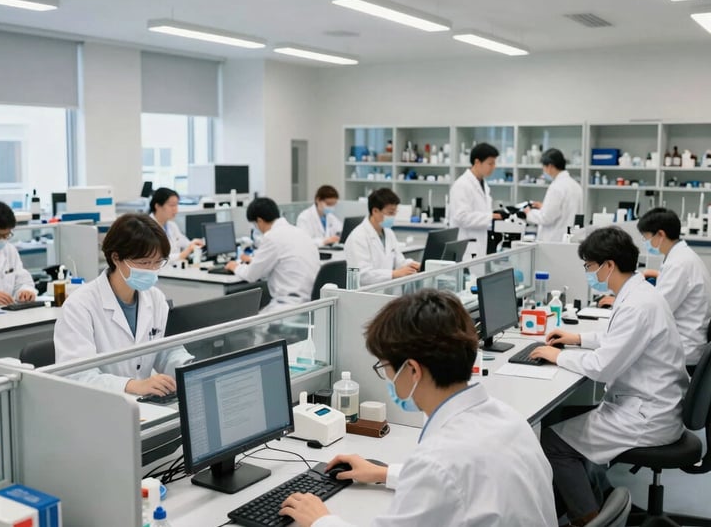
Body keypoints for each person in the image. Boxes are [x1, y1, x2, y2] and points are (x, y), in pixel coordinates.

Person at [279, 289, 557, 526]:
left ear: (412, 370)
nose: (386, 376)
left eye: (385, 366)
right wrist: (384, 472)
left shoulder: (439, 461)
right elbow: (463, 486)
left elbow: (444, 477)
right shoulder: (508, 419)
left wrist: (320, 519)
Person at [529, 226, 689, 525]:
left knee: (552, 442)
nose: (590, 273)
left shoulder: (638, 305)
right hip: (649, 403)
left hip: (647, 416)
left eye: (590, 266)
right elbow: (616, 337)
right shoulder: (638, 293)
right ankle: (595, 499)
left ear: (609, 265)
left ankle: (589, 519)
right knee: (561, 416)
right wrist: (577, 339)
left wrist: (558, 355)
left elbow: (602, 367)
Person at [54, 213, 192, 395]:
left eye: (157, 262)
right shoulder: (80, 305)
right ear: (116, 258)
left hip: (143, 405)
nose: (152, 270)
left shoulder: (155, 298)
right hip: (100, 406)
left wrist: (187, 367)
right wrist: (132, 385)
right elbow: (77, 376)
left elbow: (163, 352)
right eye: (144, 262)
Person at [637, 207, 711, 366]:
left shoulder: (679, 264)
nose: (645, 243)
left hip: (684, 350)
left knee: (624, 360)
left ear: (661, 235)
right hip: (686, 341)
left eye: (646, 237)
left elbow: (655, 312)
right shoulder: (683, 257)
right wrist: (658, 275)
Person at [225, 197, 320, 312]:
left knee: (248, 324)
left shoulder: (272, 237)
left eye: (255, 224)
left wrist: (235, 267)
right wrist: (253, 260)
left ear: (259, 221)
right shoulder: (299, 232)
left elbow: (251, 275)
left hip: (289, 305)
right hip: (310, 303)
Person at [344, 188, 419, 286]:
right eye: (390, 213)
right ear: (375, 211)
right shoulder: (357, 237)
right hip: (365, 295)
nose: (393, 217)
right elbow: (360, 275)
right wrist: (393, 274)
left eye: (395, 213)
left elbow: (399, 261)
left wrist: (412, 265)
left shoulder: (388, 233)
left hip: (385, 291)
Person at [448, 143, 504, 259]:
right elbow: (461, 217)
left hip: (479, 244)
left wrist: (491, 216)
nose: (494, 167)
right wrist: (490, 217)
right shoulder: (462, 185)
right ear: (477, 162)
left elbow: (480, 211)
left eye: (494, 163)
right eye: (490, 163)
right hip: (466, 247)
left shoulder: (483, 184)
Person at [523, 148, 583, 242]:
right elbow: (565, 210)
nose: (544, 170)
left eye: (544, 167)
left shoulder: (556, 187)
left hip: (553, 240)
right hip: (569, 239)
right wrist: (544, 206)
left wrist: (528, 213)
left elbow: (546, 217)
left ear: (550, 166)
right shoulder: (575, 185)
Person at [149, 187, 204, 263]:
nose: (176, 209)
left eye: (176, 205)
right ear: (157, 206)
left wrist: (194, 243)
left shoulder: (172, 225)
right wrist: (182, 254)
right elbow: (157, 259)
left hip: (174, 269)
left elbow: (185, 243)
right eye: (172, 205)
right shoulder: (147, 228)